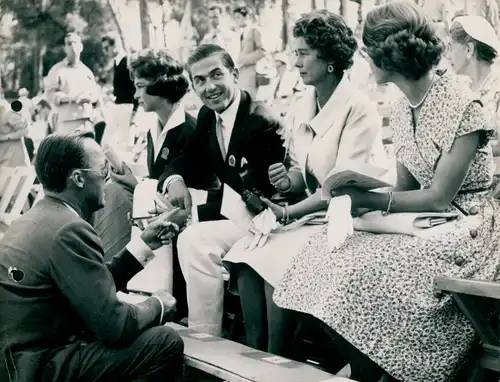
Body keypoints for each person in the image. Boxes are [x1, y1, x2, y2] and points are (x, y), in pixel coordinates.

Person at [270, 1, 500, 381]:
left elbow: (441, 196)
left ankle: (397, 367)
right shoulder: (401, 104)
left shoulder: (463, 103)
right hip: (427, 222)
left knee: (363, 273)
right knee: (323, 253)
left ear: (387, 55)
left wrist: (371, 201)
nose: (363, 58)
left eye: (368, 51)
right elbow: (406, 188)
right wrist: (359, 188)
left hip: (470, 229)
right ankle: (368, 368)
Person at [223, 9, 388, 356]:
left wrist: (286, 213)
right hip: (312, 214)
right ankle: (254, 359)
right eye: (294, 52)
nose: (295, 61)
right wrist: (286, 181)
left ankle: (275, 363)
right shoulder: (301, 103)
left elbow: (340, 186)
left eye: (302, 53)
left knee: (272, 258)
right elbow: (302, 174)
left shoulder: (358, 108)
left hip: (354, 218)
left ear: (328, 59)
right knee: (244, 258)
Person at [0, 132, 184, 382]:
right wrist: (159, 305)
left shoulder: (32, 219)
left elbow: (87, 286)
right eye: (103, 169)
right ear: (78, 178)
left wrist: (144, 244)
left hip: (18, 362)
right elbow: (115, 326)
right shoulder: (69, 228)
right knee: (164, 341)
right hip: (40, 367)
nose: (107, 177)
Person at [162, 44, 286, 336]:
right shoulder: (208, 116)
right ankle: (166, 307)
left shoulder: (261, 121)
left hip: (268, 223)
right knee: (160, 208)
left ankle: (206, 337)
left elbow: (260, 196)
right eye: (200, 80)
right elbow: (185, 161)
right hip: (237, 214)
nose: (209, 87)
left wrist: (197, 214)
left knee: (195, 239)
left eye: (216, 75)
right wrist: (175, 180)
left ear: (235, 74)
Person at [92, 48, 194, 267]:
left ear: (161, 85)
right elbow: (159, 182)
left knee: (112, 194)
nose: (136, 95)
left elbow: (185, 194)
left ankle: (109, 272)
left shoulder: (189, 129)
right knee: (110, 190)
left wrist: (139, 188)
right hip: (157, 214)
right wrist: (133, 181)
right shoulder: (154, 129)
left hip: (180, 224)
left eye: (140, 87)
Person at [447, 15, 500, 197]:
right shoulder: (460, 88)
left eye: (451, 47)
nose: (447, 55)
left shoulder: (498, 88)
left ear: (469, 49)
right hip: (463, 187)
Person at [46, 32, 103, 136]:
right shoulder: (57, 70)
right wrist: (71, 98)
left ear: (81, 47)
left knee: (85, 151)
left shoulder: (87, 71)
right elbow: (50, 94)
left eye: (75, 42)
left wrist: (89, 98)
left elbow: (96, 95)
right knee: (67, 151)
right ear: (65, 48)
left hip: (86, 120)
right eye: (69, 43)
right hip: (67, 120)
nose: (72, 46)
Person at [101, 34, 140, 147]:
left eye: (106, 48)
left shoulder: (128, 61)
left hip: (128, 107)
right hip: (117, 107)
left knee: (126, 144)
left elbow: (135, 87)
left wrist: (134, 112)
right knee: (105, 143)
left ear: (115, 45)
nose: (105, 51)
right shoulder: (115, 62)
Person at [232, 4, 265, 97]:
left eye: (238, 17)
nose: (236, 20)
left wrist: (244, 60)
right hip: (240, 71)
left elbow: (262, 52)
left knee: (250, 97)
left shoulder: (254, 31)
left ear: (246, 17)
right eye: (234, 18)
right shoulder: (238, 33)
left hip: (251, 70)